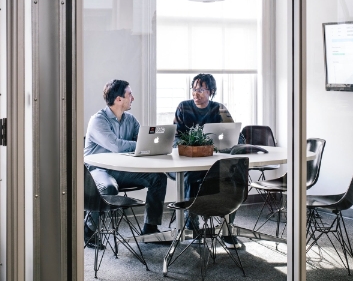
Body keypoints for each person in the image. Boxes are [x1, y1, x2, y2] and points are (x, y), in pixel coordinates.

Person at [84, 79, 167, 246]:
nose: (133, 98)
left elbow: (144, 140)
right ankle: (89, 230)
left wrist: (154, 143)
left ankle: (150, 228)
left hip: (120, 169)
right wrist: (140, 145)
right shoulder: (98, 120)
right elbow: (115, 145)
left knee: (158, 178)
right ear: (118, 99)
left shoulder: (130, 120)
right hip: (97, 170)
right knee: (108, 187)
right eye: (130, 94)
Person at [173, 73, 244, 248]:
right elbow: (175, 137)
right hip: (189, 162)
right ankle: (193, 227)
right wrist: (187, 147)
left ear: (210, 91)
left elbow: (236, 136)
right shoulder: (183, 107)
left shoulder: (219, 109)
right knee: (190, 177)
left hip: (213, 161)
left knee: (235, 177)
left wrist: (227, 145)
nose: (196, 94)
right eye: (194, 89)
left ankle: (227, 228)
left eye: (201, 90)